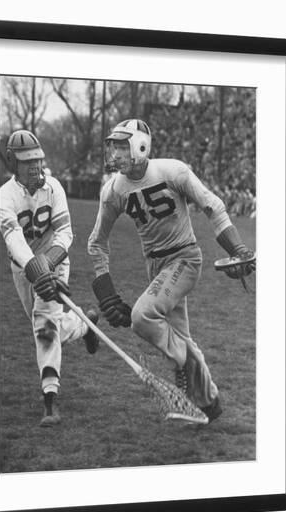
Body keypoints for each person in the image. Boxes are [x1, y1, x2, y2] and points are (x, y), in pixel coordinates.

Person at [88, 119, 254, 423]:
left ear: (140, 145)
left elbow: (212, 205)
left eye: (122, 146)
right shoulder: (113, 189)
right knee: (181, 337)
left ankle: (180, 367)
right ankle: (208, 403)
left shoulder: (171, 170)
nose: (115, 154)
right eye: (113, 146)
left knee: (142, 316)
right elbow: (96, 242)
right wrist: (107, 294)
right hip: (156, 266)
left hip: (185, 259)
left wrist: (237, 249)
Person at [0, 129, 99, 427]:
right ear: (11, 164)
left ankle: (50, 400)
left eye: (38, 160)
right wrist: (34, 268)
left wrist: (48, 264)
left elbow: (66, 232)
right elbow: (12, 237)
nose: (35, 167)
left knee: (43, 325)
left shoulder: (54, 187)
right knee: (47, 322)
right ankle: (84, 323)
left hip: (56, 261)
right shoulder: (5, 196)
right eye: (27, 162)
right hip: (24, 269)